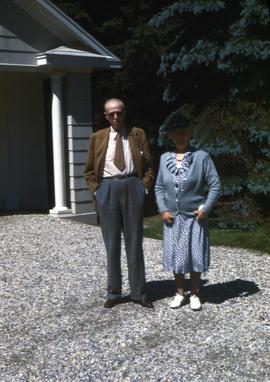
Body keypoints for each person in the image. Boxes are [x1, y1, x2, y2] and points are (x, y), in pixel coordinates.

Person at [84, 98, 154, 308]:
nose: (116, 117)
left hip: (132, 186)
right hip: (107, 189)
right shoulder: (97, 138)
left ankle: (139, 292)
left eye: (119, 113)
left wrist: (143, 187)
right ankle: (113, 293)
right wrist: (97, 191)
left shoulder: (137, 134)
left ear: (124, 113)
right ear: (106, 116)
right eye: (112, 113)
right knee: (112, 244)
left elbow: (149, 165)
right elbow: (88, 170)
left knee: (134, 243)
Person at [155, 111, 221, 310]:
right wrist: (162, 209)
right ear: (170, 136)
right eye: (175, 133)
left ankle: (194, 293)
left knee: (194, 256)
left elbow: (215, 185)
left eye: (183, 132)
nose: (180, 136)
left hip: (194, 218)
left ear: (189, 133)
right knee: (176, 256)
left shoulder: (201, 157)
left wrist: (206, 209)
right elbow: (159, 187)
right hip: (172, 219)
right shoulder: (164, 158)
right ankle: (180, 293)